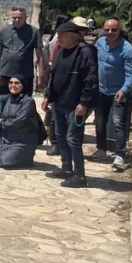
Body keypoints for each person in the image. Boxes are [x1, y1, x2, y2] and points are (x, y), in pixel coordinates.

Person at [43, 21, 98, 187]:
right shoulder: (60, 50)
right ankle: (66, 168)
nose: (59, 39)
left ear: (74, 36)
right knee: (60, 136)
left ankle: (79, 175)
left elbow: (91, 79)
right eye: (58, 36)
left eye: (62, 36)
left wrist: (84, 102)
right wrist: (47, 95)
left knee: (73, 139)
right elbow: (53, 75)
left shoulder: (85, 51)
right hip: (59, 102)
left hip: (75, 104)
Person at [93, 17, 132, 171]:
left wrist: (124, 89)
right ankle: (101, 149)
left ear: (119, 30)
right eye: (107, 29)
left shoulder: (127, 50)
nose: (110, 32)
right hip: (100, 90)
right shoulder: (99, 43)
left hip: (119, 92)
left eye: (114, 29)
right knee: (99, 122)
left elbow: (131, 74)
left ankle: (120, 155)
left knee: (118, 123)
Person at [0, 76, 40, 168]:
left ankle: (25, 158)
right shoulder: (7, 99)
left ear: (23, 85)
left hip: (22, 142)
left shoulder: (28, 101)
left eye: (17, 83)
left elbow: (19, 121)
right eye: (11, 83)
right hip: (5, 140)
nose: (13, 85)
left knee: (4, 161)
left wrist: (0, 121)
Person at [0, 7, 45, 96]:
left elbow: (39, 55)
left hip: (25, 74)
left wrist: (40, 75)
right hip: (5, 74)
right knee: (4, 100)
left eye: (20, 18)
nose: (17, 20)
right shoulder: (4, 31)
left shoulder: (34, 32)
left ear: (25, 18)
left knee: (24, 101)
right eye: (14, 18)